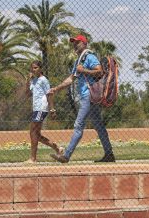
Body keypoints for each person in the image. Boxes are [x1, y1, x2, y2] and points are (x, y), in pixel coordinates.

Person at [48, 34, 115, 163]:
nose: (74, 44)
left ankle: (66, 156)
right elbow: (71, 79)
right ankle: (109, 154)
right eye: (73, 43)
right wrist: (56, 88)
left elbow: (99, 71)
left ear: (84, 44)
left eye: (77, 42)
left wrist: (83, 70)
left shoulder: (89, 57)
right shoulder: (79, 60)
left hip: (88, 96)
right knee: (98, 125)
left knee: (79, 125)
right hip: (88, 96)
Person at [24, 60, 62, 163]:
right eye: (32, 68)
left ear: (40, 68)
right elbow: (27, 94)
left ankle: (33, 158)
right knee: (36, 134)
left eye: (35, 67)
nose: (33, 69)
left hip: (41, 108)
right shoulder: (34, 80)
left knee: (33, 132)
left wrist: (52, 109)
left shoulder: (44, 80)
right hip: (36, 109)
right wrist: (28, 81)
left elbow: (49, 94)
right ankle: (57, 148)